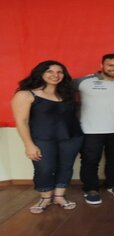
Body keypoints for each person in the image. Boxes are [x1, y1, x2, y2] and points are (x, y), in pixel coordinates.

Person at [11, 60, 83, 214]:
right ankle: (45, 197)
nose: (55, 75)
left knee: (66, 167)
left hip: (71, 137)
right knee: (44, 168)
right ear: (40, 73)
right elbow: (21, 122)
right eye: (50, 71)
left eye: (59, 72)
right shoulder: (26, 94)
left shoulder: (68, 94)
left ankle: (59, 196)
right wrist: (29, 145)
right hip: (42, 139)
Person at [73, 54, 114, 205]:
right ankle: (90, 189)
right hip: (90, 130)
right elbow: (59, 92)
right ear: (102, 65)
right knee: (90, 161)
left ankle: (113, 184)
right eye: (111, 65)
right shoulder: (82, 82)